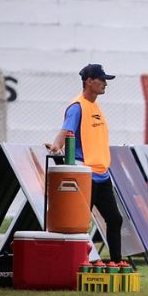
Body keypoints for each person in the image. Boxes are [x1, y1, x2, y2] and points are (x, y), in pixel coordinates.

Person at [46, 64, 123, 264]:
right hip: (84, 173)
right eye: (102, 79)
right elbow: (66, 131)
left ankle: (116, 262)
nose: (105, 83)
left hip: (102, 174)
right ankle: (79, 262)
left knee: (115, 219)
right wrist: (56, 146)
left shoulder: (95, 106)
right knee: (79, 223)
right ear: (89, 81)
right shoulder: (77, 106)